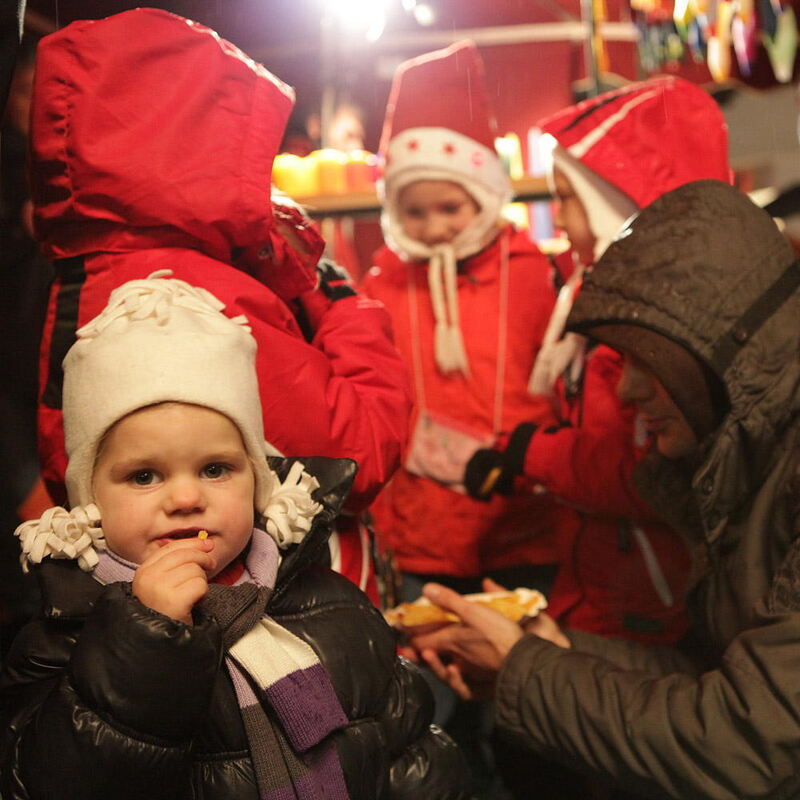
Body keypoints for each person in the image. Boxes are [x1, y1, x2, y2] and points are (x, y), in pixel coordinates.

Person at [0, 272, 470, 800]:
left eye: (216, 469)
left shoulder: (330, 603)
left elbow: (410, 758)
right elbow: (49, 782)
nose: (184, 498)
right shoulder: (65, 636)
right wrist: (145, 645)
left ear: (257, 480)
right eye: (144, 476)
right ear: (89, 500)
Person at [410, 179, 800, 800]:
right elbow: (717, 677)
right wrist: (552, 649)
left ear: (723, 352)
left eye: (651, 362)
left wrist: (524, 671)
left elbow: (753, 741)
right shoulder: (753, 462)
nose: (626, 392)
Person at [28, 8, 411, 605]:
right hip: (266, 607)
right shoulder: (181, 295)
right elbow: (354, 452)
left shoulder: (102, 266)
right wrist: (344, 305)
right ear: (197, 146)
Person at [464, 77, 731, 647]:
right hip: (606, 578)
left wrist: (533, 451)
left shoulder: (642, 328)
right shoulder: (591, 301)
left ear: (614, 207)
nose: (556, 216)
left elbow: (645, 474)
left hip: (648, 600)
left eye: (567, 197)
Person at [363, 40, 562, 605]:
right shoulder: (383, 286)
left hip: (522, 522)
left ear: (483, 195)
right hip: (422, 531)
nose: (433, 228)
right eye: (414, 212)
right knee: (431, 685)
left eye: (449, 208)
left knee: (520, 682)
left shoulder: (530, 275)